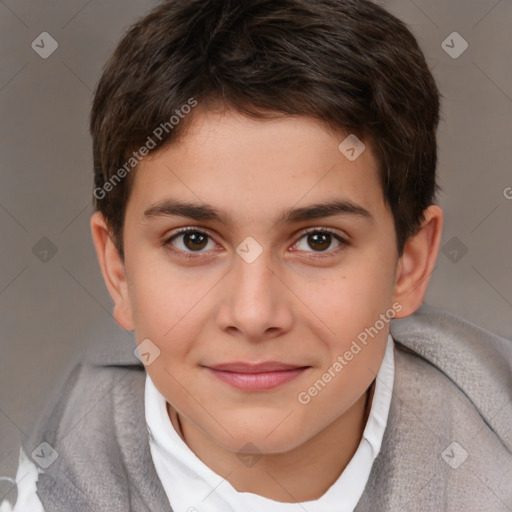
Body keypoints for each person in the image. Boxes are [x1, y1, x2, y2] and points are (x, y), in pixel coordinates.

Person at [2, 0, 511, 510]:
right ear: (119, 273)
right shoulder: (44, 486)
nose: (253, 314)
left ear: (409, 265)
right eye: (193, 240)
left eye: (318, 241)